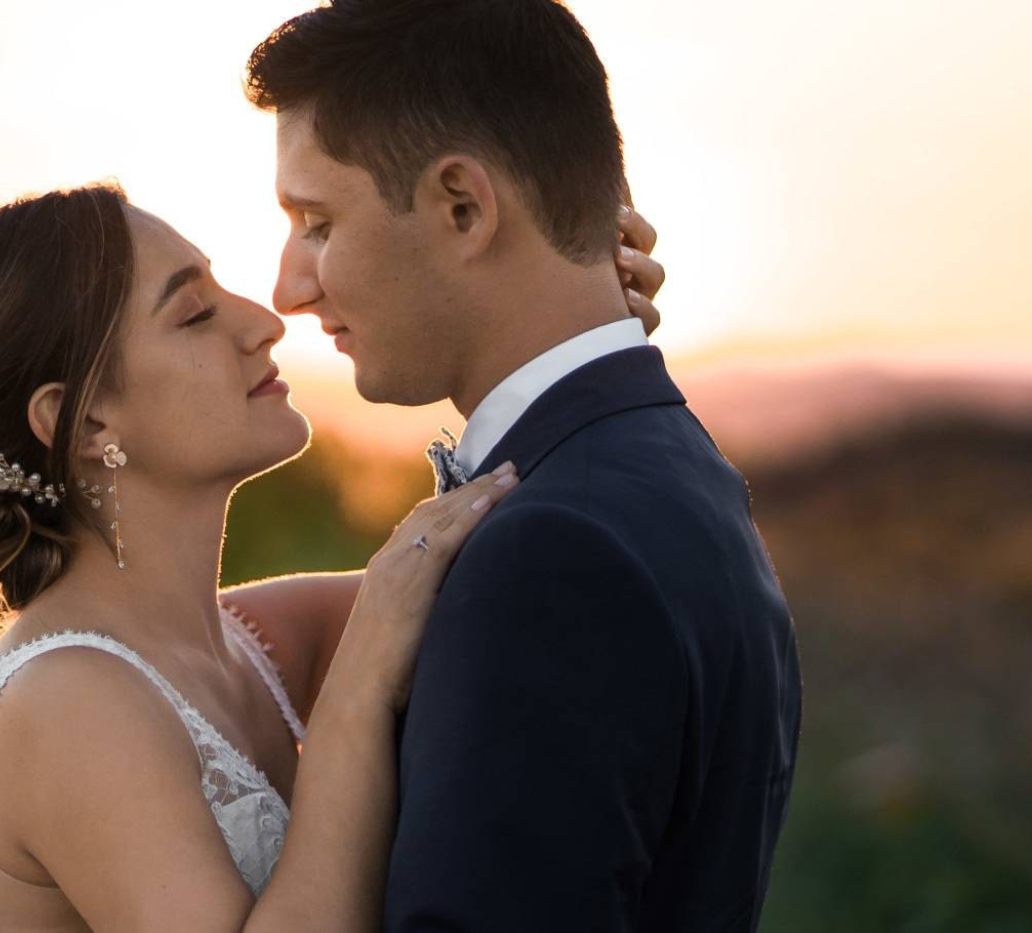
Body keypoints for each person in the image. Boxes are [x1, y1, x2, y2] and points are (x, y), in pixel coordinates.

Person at [0, 180, 664, 928]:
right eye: (194, 313)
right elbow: (381, 632)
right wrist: (354, 696)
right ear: (83, 421)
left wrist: (574, 316)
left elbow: (494, 574)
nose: (264, 321)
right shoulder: (62, 703)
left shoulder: (240, 645)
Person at [244, 1, 803, 929]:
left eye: (317, 221)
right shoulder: (674, 468)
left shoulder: (552, 554)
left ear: (464, 207)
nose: (288, 288)